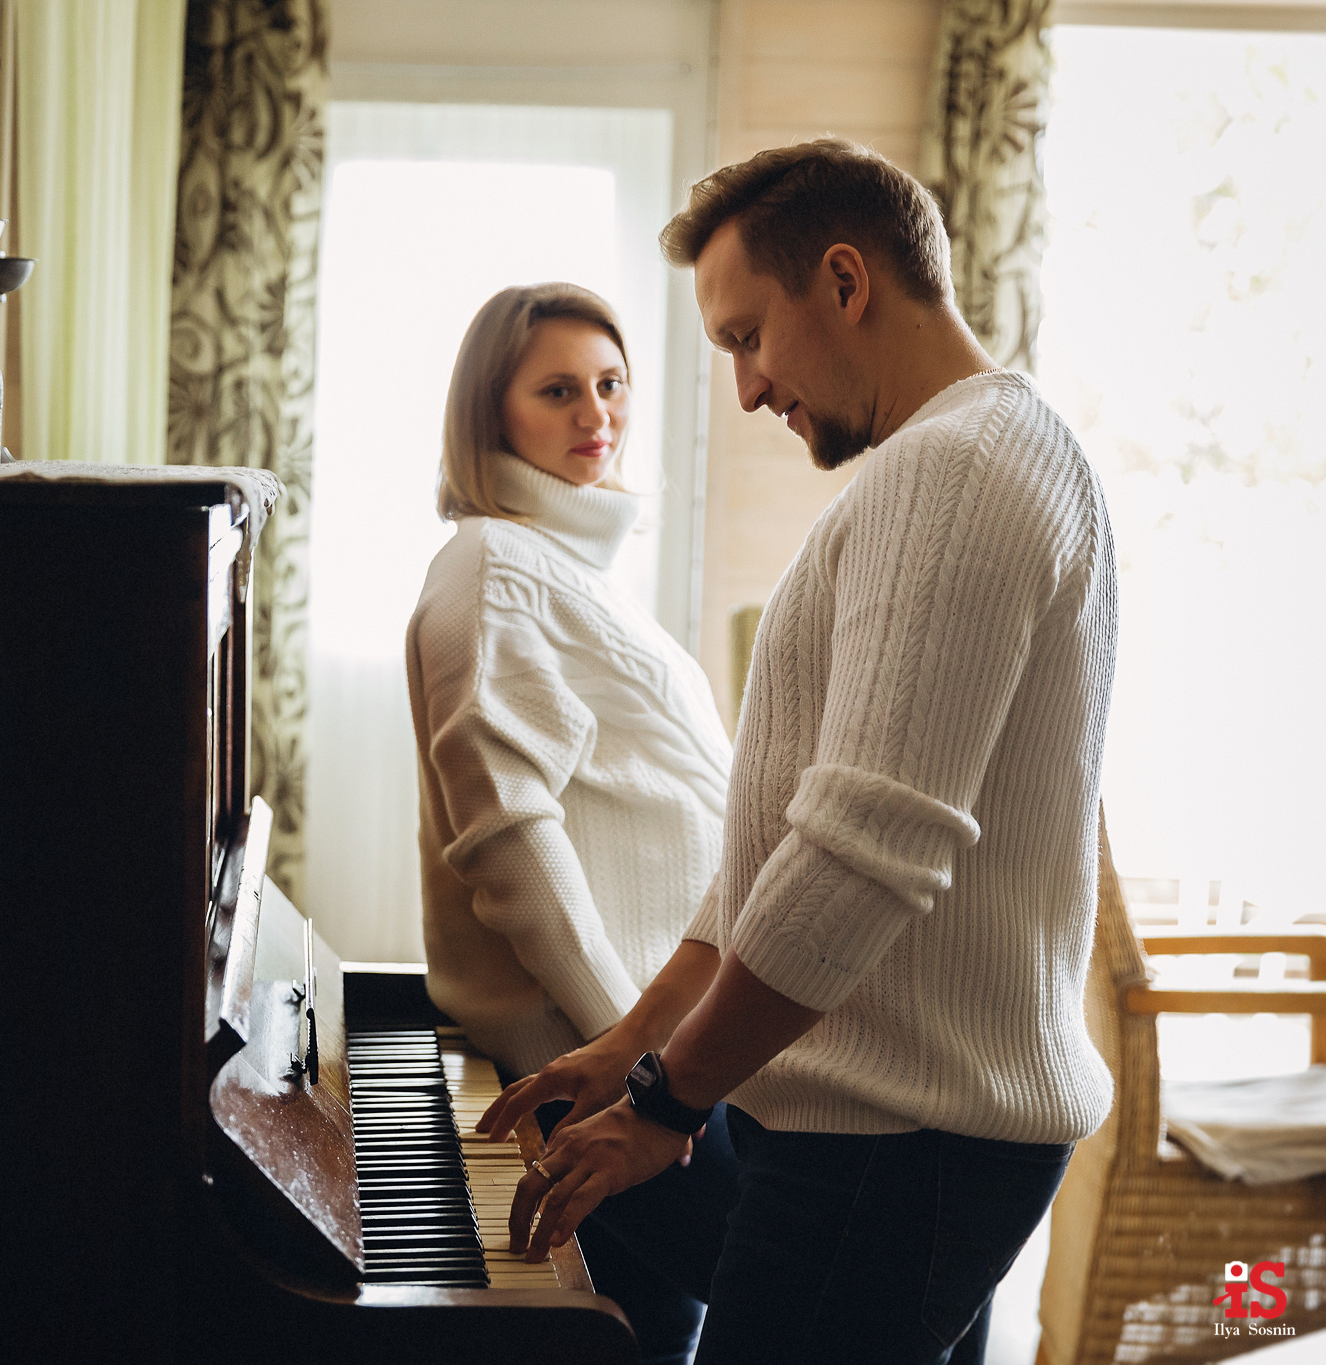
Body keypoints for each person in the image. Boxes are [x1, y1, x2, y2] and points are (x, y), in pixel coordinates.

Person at [478, 140, 1119, 1365]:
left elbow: (859, 856)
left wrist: (668, 1107)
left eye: (743, 338)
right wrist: (634, 1046)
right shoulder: (957, 463)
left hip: (895, 1145)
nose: (747, 389)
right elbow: (777, 846)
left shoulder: (958, 473)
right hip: (897, 1133)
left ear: (842, 280)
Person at [405, 282, 738, 1363]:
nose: (594, 413)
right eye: (556, 390)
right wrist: (638, 1069)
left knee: (648, 1340)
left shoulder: (554, 568)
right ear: (488, 413)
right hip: (607, 1076)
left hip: (654, 1053)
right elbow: (511, 838)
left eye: (609, 385)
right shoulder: (495, 567)